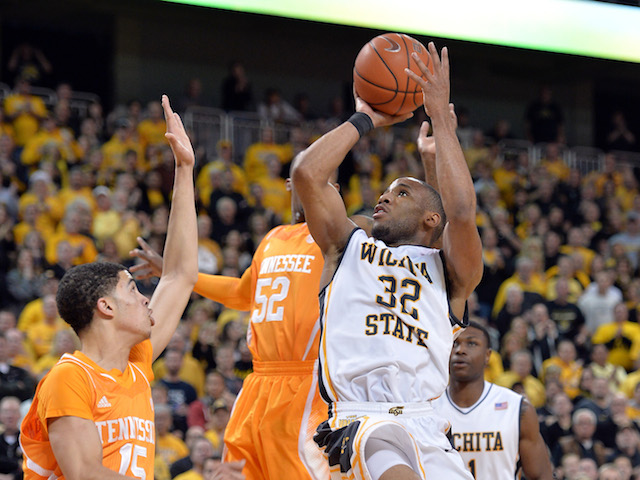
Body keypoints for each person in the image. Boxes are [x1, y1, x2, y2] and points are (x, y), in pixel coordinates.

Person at [291, 42, 483, 480]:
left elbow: (461, 213)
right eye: (386, 191)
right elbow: (306, 173)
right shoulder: (347, 246)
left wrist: (441, 123)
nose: (383, 196)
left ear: (430, 218)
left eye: (402, 193)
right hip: (364, 419)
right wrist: (368, 117)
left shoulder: (450, 275)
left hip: (429, 424)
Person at [130, 159, 371, 479]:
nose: (305, 185)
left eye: (316, 179)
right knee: (235, 470)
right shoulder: (273, 238)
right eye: (300, 179)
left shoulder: (344, 238)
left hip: (307, 380)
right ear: (290, 186)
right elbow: (242, 292)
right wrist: (178, 275)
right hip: (258, 381)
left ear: (335, 191)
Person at [19, 95, 198, 480]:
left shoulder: (136, 366)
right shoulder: (70, 377)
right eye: (133, 290)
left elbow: (180, 275)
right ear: (106, 307)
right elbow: (85, 474)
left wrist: (184, 169)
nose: (146, 297)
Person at [433, 322, 552, 479]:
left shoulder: (517, 408)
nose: (460, 350)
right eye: (454, 343)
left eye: (471, 343)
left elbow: (541, 475)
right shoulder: (427, 409)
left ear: (488, 355)